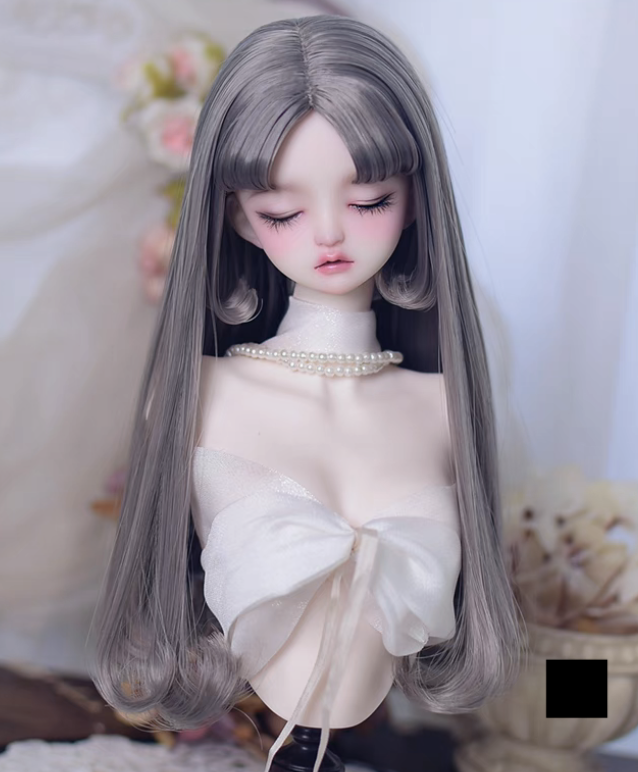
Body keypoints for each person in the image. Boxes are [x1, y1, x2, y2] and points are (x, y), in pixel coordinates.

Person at [91, 14, 524, 772]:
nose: (328, 234)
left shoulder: (443, 406)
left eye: (370, 200)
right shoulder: (200, 397)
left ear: (415, 200)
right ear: (238, 216)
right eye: (282, 212)